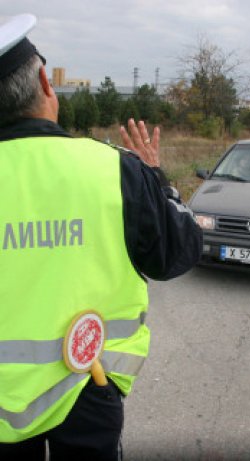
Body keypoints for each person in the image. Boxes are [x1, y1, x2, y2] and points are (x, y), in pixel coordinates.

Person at [0, 14, 202, 461]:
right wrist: (156, 178)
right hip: (88, 382)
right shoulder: (116, 170)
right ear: (45, 85)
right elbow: (178, 253)